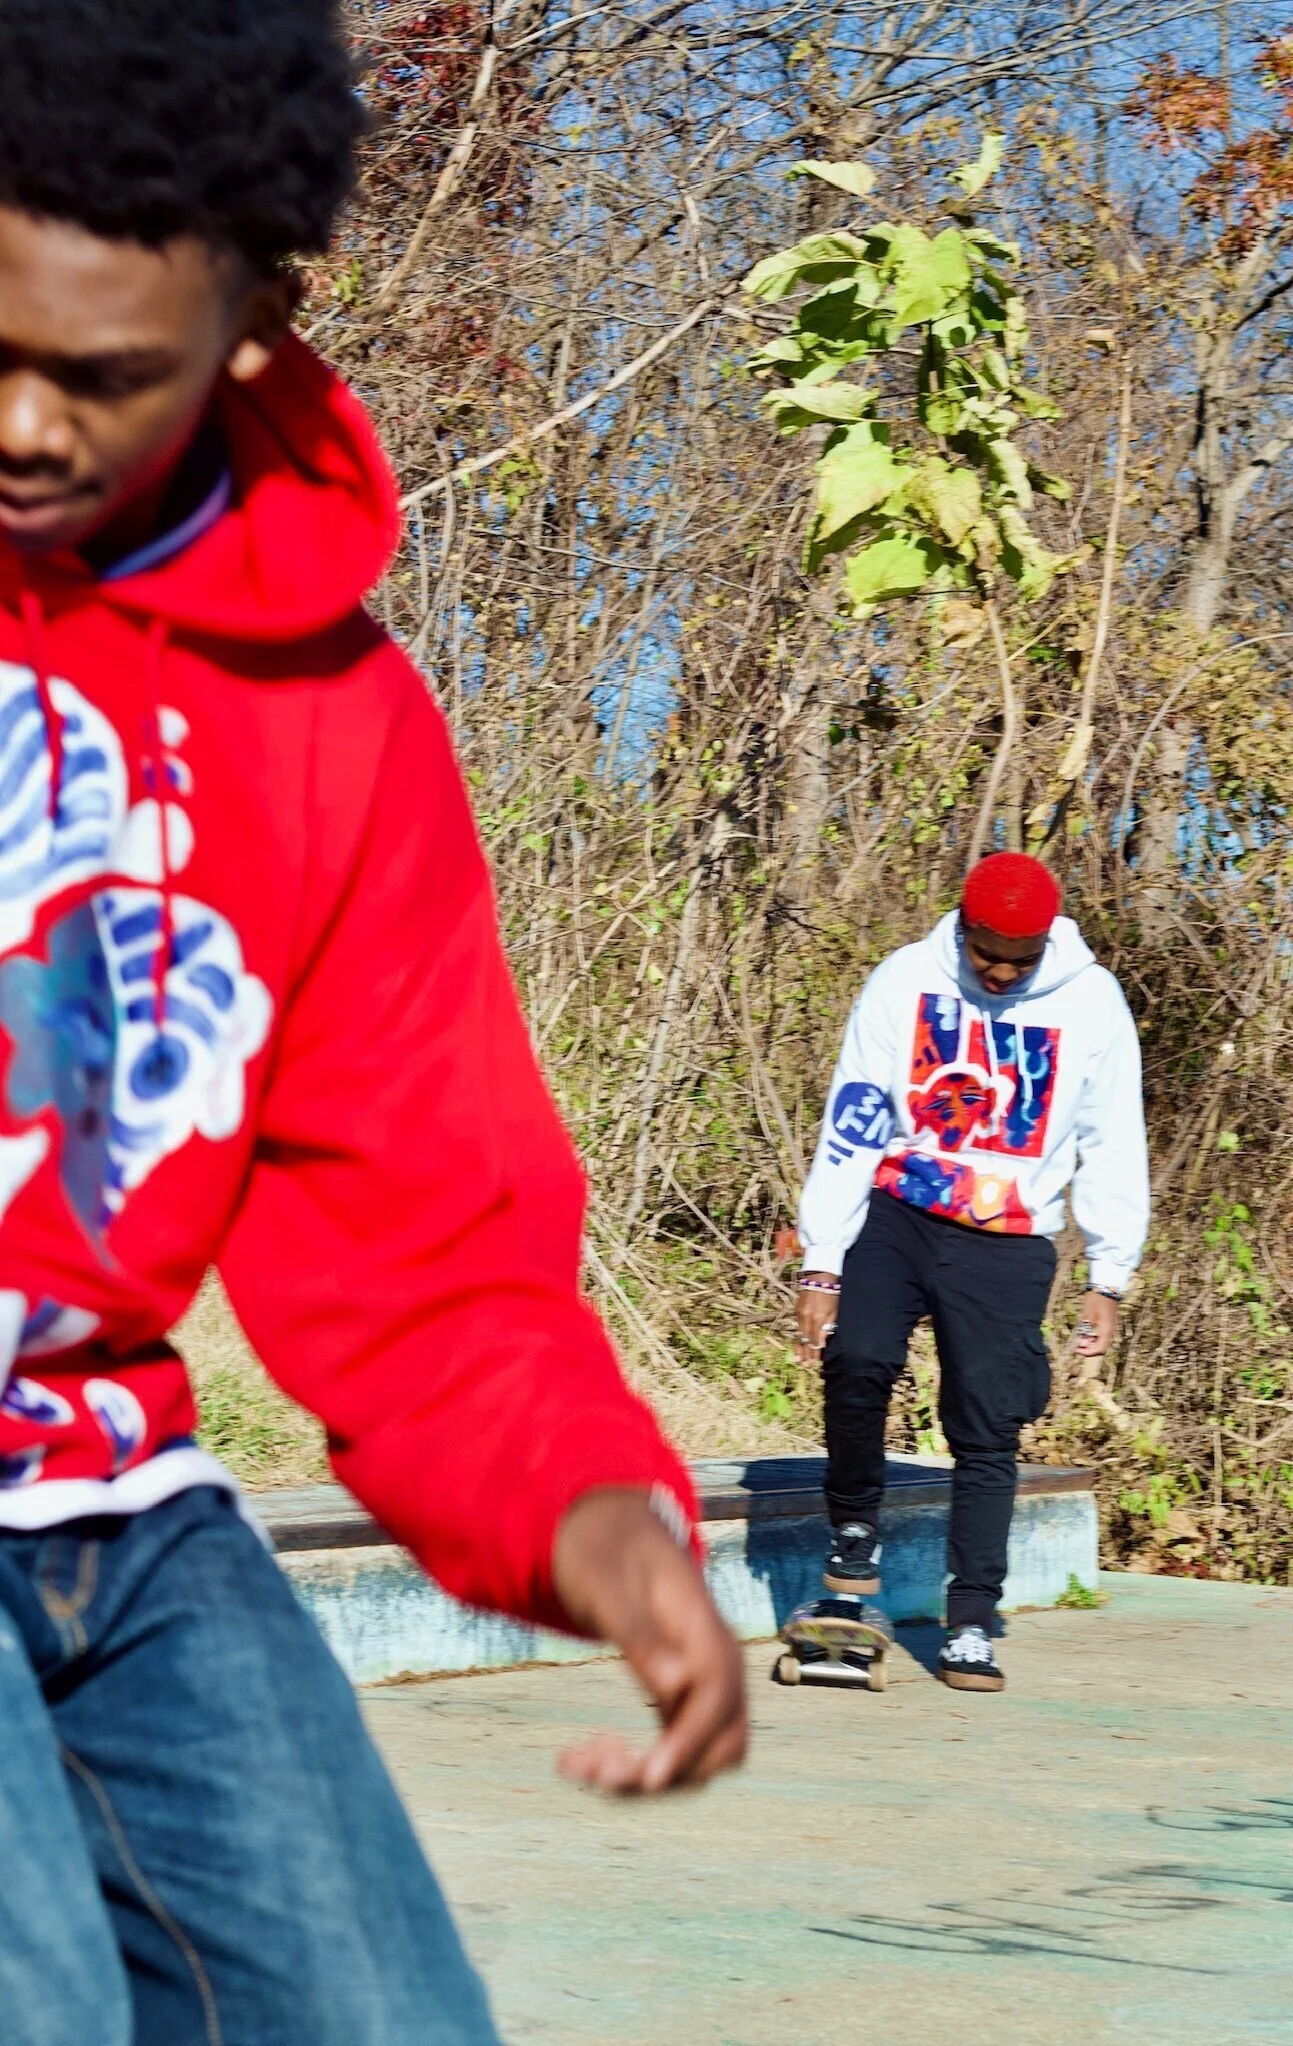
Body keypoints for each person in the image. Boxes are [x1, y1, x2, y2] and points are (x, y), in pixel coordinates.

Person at [0, 3, 746, 2040]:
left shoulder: (334, 723)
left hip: (105, 1505)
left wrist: (599, 1523)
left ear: (255, 326)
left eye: (103, 376)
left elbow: (422, 1250)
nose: (25, 425)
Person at [795, 852, 1149, 1692]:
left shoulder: (1090, 1002)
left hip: (1008, 1240)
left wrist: (1108, 1273)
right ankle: (853, 1540)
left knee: (985, 1425)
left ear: (1044, 945)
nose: (998, 974)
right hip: (899, 1212)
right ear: (961, 928)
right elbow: (855, 1115)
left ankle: (969, 1620)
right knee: (857, 1358)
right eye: (985, 954)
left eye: (1018, 962)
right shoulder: (904, 980)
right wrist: (821, 1261)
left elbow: (1110, 1138)